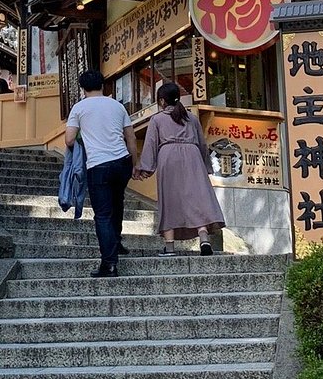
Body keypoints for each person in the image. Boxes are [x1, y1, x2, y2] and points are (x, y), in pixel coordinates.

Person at [132, 81, 226, 254]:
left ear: (161, 101)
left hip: (168, 157)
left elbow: (151, 144)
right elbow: (203, 145)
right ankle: (204, 238)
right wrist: (206, 167)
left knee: (170, 199)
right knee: (197, 197)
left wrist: (144, 168)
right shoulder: (192, 118)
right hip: (193, 156)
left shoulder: (157, 119)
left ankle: (170, 247)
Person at [64, 68, 137, 277]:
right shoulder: (117, 106)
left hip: (98, 165)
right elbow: (130, 138)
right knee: (118, 203)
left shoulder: (79, 108)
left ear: (82, 88)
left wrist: (82, 135)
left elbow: (69, 140)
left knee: (103, 215)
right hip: (122, 161)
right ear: (103, 85)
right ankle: (117, 242)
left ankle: (109, 263)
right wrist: (134, 163)